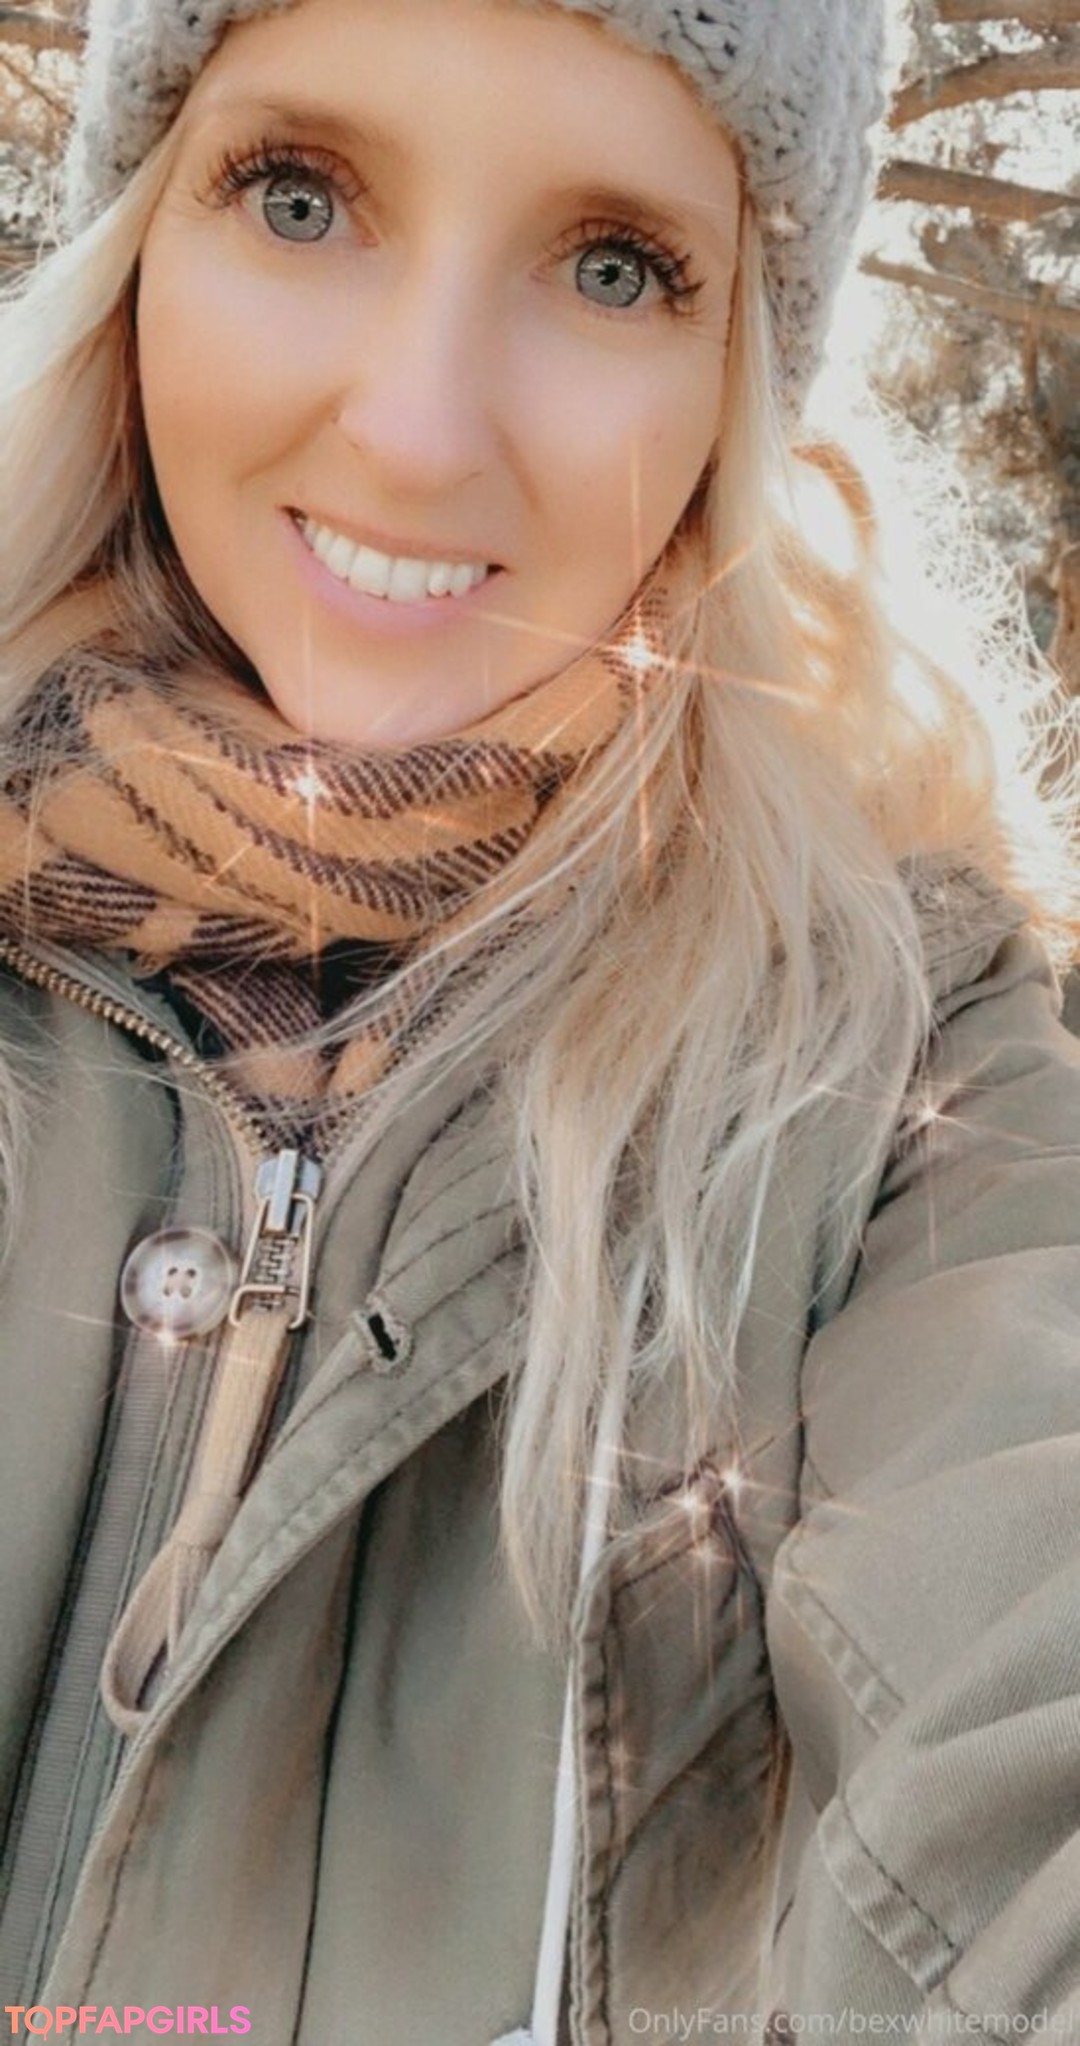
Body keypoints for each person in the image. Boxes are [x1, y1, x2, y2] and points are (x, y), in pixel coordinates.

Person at [1, 0, 1078, 2040]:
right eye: (298, 197)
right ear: (137, 236)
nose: (417, 428)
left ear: (735, 377)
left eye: (612, 266)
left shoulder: (896, 1078)